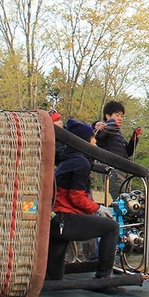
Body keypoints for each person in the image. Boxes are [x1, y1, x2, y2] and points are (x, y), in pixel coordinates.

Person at [46, 118, 119, 280]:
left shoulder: (70, 159)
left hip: (54, 220)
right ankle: (103, 278)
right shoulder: (80, 163)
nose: (95, 141)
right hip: (65, 219)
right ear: (84, 141)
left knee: (54, 277)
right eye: (92, 138)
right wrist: (97, 208)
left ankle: (50, 278)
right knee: (111, 228)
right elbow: (76, 198)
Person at [93, 100, 141, 200]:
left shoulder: (118, 134)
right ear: (108, 116)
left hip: (124, 171)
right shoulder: (104, 129)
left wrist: (134, 138)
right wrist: (100, 124)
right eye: (117, 115)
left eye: (122, 116)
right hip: (113, 171)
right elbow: (98, 135)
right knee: (122, 201)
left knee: (128, 201)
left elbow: (128, 152)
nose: (120, 118)